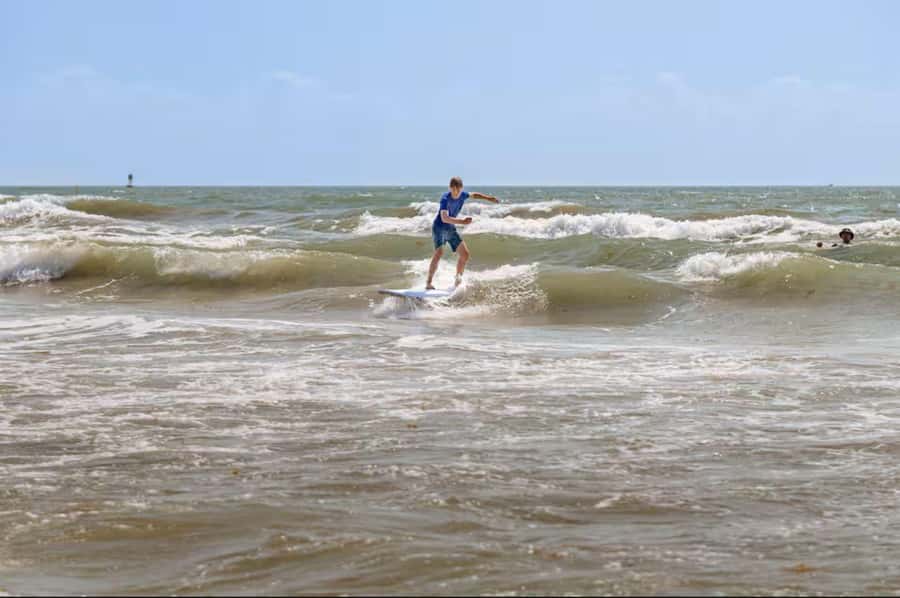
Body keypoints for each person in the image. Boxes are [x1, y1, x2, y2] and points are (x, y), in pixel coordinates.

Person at [426, 176, 499, 290]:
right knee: (439, 253)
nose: (456, 193)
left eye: (458, 190)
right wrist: (462, 221)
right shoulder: (445, 198)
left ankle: (457, 281)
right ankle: (428, 283)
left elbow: (474, 194)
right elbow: (444, 218)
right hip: (439, 227)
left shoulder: (463, 195)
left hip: (450, 228)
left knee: (465, 254)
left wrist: (489, 198)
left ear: (461, 188)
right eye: (453, 190)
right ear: (450, 188)